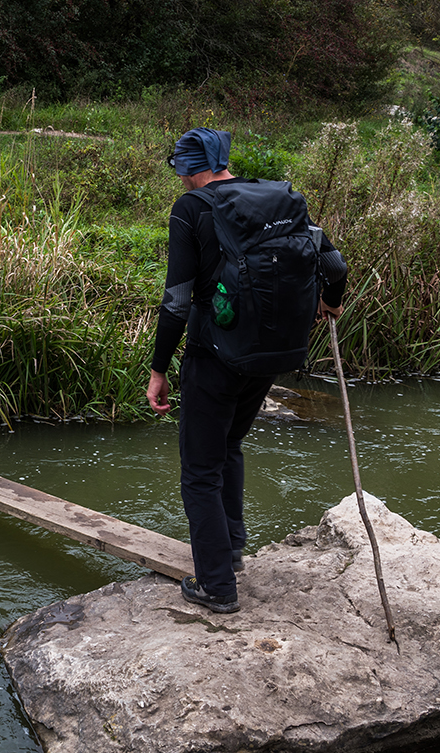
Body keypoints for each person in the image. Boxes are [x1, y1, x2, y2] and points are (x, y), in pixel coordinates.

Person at [146, 128, 347, 614]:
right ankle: (232, 550)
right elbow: (335, 265)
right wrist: (329, 302)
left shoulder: (190, 208)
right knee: (230, 445)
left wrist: (158, 369)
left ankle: (216, 586)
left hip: (213, 353)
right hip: (271, 355)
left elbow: (176, 302)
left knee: (199, 472)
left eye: (179, 168)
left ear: (188, 167)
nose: (180, 178)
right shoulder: (279, 198)